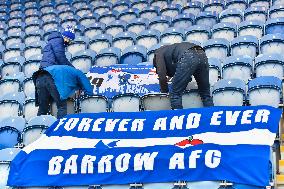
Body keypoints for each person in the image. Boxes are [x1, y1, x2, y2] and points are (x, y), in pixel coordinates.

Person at [153, 42, 214, 109]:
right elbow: (186, 74)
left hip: (188, 55)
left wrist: (164, 91)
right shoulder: (172, 50)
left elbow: (161, 75)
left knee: (175, 94)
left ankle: (178, 117)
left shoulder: (158, 53)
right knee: (205, 94)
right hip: (202, 53)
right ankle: (211, 114)